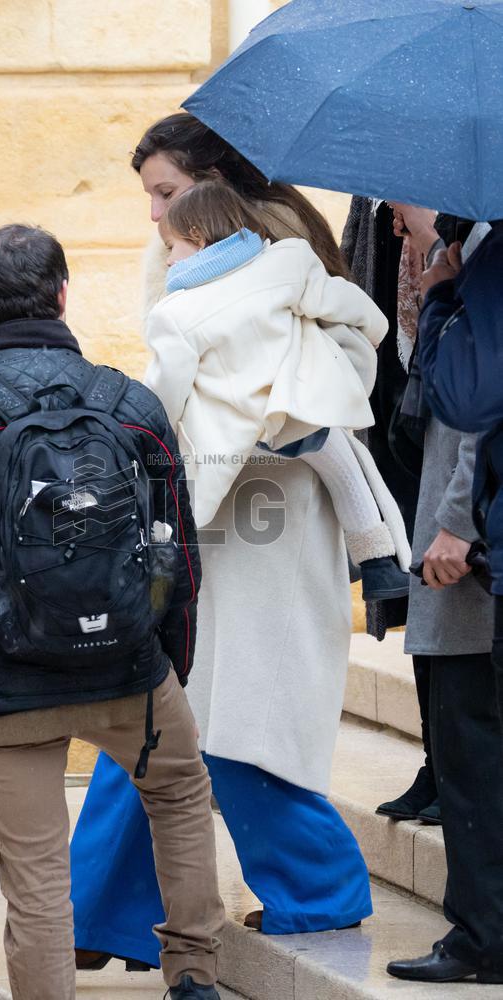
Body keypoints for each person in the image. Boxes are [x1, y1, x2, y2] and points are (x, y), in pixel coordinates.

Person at [0, 223, 226, 1000]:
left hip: (4, 685)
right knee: (178, 797)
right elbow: (174, 551)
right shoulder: (129, 403)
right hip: (129, 672)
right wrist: (168, 663)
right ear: (63, 294)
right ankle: (194, 973)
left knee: (35, 877)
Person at [69, 113, 380, 972]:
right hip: (199, 513)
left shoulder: (296, 261)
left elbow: (347, 382)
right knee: (160, 713)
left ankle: (314, 894)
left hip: (270, 521)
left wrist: (272, 420)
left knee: (237, 722)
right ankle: (100, 914)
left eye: (165, 192)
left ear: (212, 187)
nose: (153, 214)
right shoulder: (187, 255)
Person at [148, 180, 409, 599]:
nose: (167, 260)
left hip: (239, 434)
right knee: (344, 464)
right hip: (300, 409)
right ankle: (377, 562)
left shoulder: (175, 312)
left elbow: (167, 389)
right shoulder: (286, 260)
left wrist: (155, 426)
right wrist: (373, 331)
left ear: (197, 237)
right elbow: (342, 300)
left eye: (171, 246)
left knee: (184, 502)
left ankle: (165, 565)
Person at [386, 217, 502, 985]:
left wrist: (439, 296)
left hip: (471, 555)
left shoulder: (483, 258)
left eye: (401, 211)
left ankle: (482, 937)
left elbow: (469, 405)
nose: (394, 222)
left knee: (470, 749)